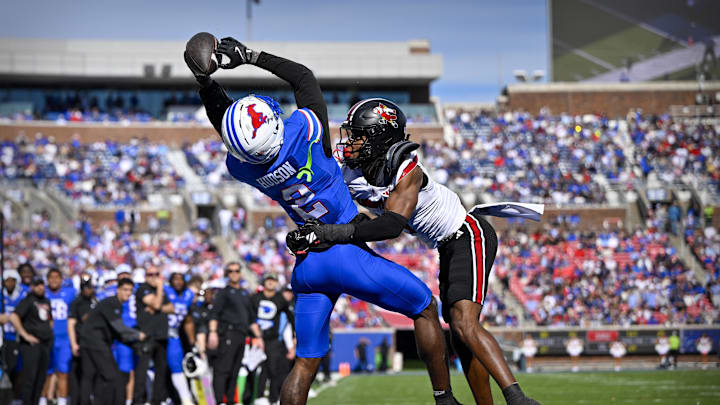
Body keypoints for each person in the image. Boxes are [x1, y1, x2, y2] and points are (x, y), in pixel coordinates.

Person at [189, 35, 457, 405]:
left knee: (305, 364)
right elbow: (303, 78)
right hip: (342, 252)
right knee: (424, 306)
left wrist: (206, 84)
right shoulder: (304, 133)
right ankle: (445, 399)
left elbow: (226, 124)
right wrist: (250, 56)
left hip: (308, 265)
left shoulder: (245, 168)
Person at [287, 98, 541, 404]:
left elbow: (392, 225)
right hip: (446, 245)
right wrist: (317, 231)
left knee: (463, 323)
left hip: (469, 234)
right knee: (461, 338)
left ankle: (517, 398)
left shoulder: (407, 169)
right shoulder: (352, 173)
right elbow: (354, 217)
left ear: (380, 135)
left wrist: (334, 233)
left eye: (359, 135)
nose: (351, 142)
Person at [81, 278, 146, 405]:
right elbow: (119, 328)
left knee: (93, 377)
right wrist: (139, 335)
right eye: (125, 290)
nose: (128, 293)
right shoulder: (112, 303)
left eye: (130, 291)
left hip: (88, 341)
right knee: (111, 376)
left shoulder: (115, 304)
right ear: (118, 290)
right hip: (95, 342)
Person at [208, 262, 262, 405]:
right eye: (230, 271)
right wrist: (213, 332)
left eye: (236, 270)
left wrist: (259, 337)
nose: (234, 273)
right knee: (223, 369)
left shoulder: (244, 293)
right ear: (227, 273)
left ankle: (231, 400)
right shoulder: (223, 293)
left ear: (240, 272)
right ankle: (220, 400)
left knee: (235, 370)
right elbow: (214, 314)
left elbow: (251, 319)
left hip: (242, 335)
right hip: (228, 333)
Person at [249, 274, 295, 405]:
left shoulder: (280, 299)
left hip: (272, 340)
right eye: (268, 280)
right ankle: (257, 396)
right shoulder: (255, 298)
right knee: (256, 369)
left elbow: (291, 318)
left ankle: (273, 398)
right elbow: (248, 316)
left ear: (276, 283)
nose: (270, 283)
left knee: (274, 369)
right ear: (264, 282)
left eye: (273, 280)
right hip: (256, 339)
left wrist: (294, 337)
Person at [10, 277, 53, 405]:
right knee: (30, 378)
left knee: (41, 379)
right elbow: (13, 316)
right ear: (32, 287)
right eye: (37, 285)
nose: (40, 287)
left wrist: (48, 331)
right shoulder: (28, 301)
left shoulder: (46, 301)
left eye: (42, 285)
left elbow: (49, 319)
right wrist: (25, 335)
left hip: (45, 344)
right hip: (31, 345)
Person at [134, 267, 174, 405]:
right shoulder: (142, 289)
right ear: (145, 276)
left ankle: (157, 400)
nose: (153, 277)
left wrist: (157, 306)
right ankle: (138, 400)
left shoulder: (160, 291)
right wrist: (160, 290)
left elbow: (171, 308)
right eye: (150, 274)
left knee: (161, 370)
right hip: (147, 335)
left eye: (156, 274)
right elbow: (157, 304)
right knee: (142, 370)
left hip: (161, 335)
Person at [42, 268, 77, 405]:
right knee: (46, 372)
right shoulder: (42, 293)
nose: (54, 280)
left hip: (64, 339)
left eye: (57, 277)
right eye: (51, 277)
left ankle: (62, 400)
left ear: (61, 279)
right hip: (47, 338)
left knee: (63, 371)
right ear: (47, 279)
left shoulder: (69, 293)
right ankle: (43, 399)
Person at [164, 269, 195, 405]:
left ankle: (185, 399)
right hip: (158, 333)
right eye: (175, 278)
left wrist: (192, 340)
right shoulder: (165, 291)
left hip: (174, 334)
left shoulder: (188, 295)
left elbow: (187, 319)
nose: (178, 282)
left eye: (180, 278)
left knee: (176, 366)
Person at [67, 274, 97, 405]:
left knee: (92, 374)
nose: (88, 290)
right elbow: (71, 324)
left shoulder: (95, 302)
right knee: (82, 375)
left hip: (94, 344)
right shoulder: (76, 303)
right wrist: (73, 343)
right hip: (81, 344)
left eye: (90, 287)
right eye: (85, 287)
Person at [0, 269, 27, 402]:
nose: (9, 283)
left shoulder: (22, 295)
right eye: (7, 281)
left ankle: (16, 398)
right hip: (3, 338)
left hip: (17, 337)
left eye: (12, 281)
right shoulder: (1, 296)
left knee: (18, 370)